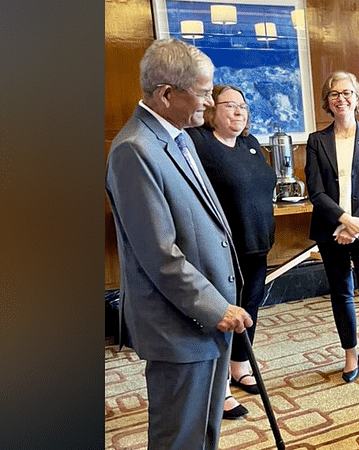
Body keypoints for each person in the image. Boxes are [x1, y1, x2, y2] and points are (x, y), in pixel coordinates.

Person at [105, 39, 252, 449]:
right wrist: (214, 306)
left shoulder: (179, 135)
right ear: (167, 94)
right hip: (178, 324)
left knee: (204, 432)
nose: (209, 103)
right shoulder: (135, 150)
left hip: (207, 319)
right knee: (179, 438)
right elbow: (159, 254)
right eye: (204, 93)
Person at [186, 84, 277, 419]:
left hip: (257, 246)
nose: (239, 111)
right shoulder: (199, 142)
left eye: (243, 106)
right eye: (230, 106)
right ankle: (219, 386)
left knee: (250, 307)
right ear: (212, 109)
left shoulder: (250, 144)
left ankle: (239, 365)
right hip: (222, 251)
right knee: (222, 316)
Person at [305, 71, 359, 383]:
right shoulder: (317, 141)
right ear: (327, 102)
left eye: (347, 93)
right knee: (341, 291)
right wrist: (344, 220)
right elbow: (315, 191)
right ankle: (351, 353)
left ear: (358, 98)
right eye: (334, 94)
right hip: (331, 227)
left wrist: (356, 225)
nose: (341, 99)